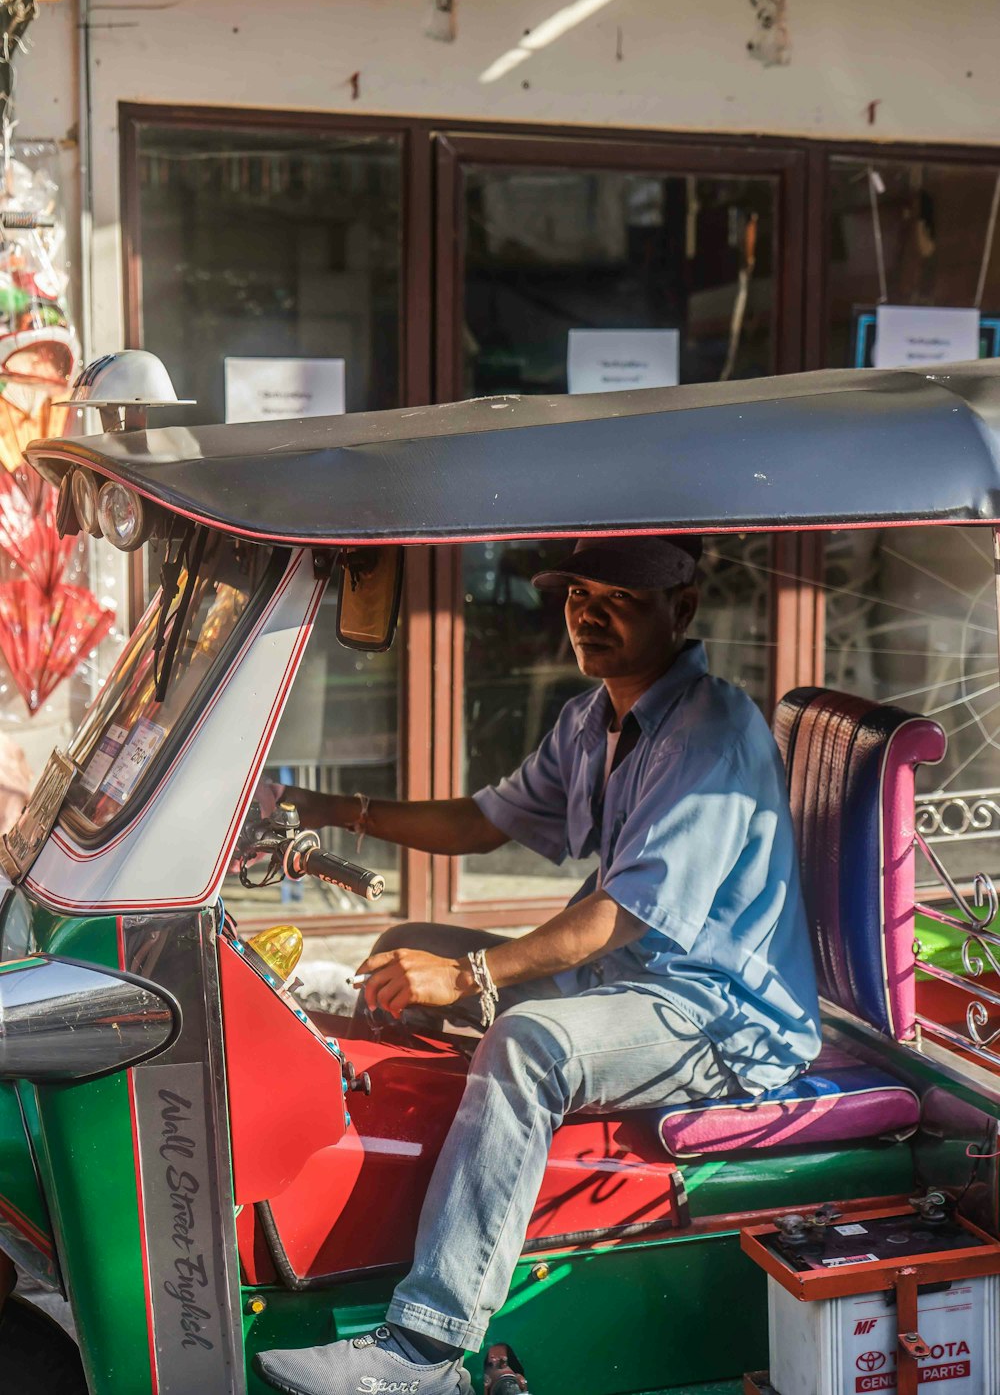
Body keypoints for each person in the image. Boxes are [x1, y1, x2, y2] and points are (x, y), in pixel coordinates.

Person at [255, 534, 821, 1395]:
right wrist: (325, 806)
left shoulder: (712, 732)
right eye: (578, 593)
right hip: (627, 982)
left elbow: (621, 914)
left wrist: (478, 979)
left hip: (720, 1012)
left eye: (619, 596)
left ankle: (428, 1350)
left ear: (684, 607)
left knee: (527, 1043)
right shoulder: (595, 718)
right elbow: (486, 823)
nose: (589, 612)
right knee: (403, 955)